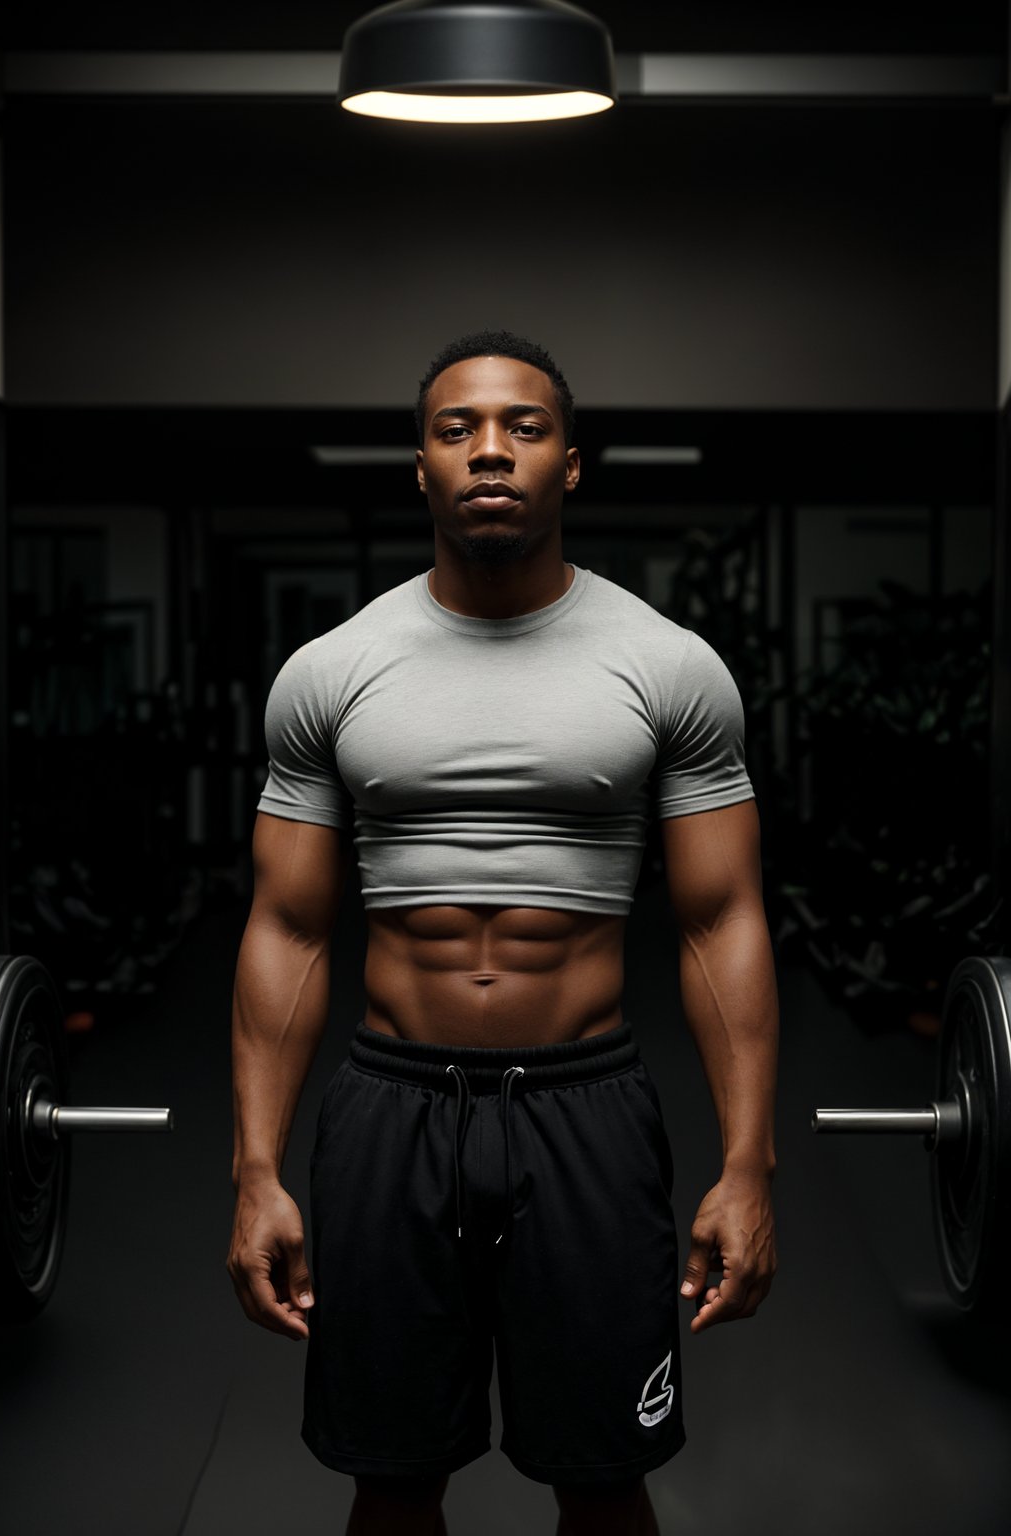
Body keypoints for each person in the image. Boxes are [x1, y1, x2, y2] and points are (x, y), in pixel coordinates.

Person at [227, 329, 779, 1536]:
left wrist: (748, 1165)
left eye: (524, 428)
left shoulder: (667, 666)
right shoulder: (333, 669)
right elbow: (288, 926)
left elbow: (718, 919)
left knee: (602, 1475)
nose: (490, 450)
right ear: (418, 466)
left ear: (568, 465)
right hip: (390, 1107)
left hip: (585, 1103)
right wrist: (255, 1169)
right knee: (390, 1474)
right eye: (455, 428)